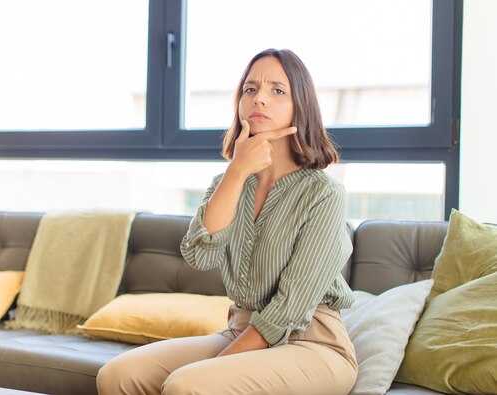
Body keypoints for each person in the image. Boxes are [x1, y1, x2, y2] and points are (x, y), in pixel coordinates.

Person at [96, 48, 358, 395]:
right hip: (240, 328)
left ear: (301, 106)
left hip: (312, 343)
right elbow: (199, 256)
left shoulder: (325, 193)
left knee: (186, 386)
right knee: (117, 375)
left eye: (277, 91)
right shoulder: (229, 182)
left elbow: (289, 308)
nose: (259, 99)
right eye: (250, 89)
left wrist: (217, 364)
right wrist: (236, 172)